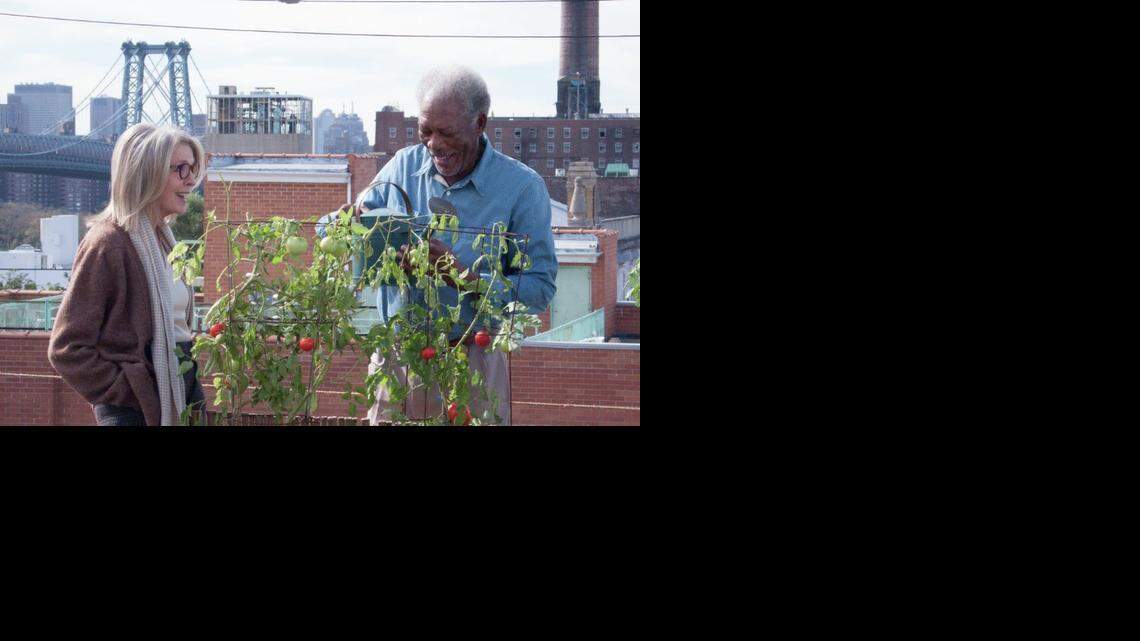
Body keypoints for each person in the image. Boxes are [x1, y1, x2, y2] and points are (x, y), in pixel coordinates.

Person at [346, 66, 557, 425]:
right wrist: (344, 225)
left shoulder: (521, 187)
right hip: (400, 354)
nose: (434, 144)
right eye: (425, 131)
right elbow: (335, 228)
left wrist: (463, 277)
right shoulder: (402, 167)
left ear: (479, 123)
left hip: (474, 354)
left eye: (446, 132)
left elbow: (539, 288)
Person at [48, 123, 207, 426]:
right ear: (146, 173)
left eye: (193, 169)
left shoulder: (164, 240)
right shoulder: (108, 243)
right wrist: (130, 389)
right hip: (136, 410)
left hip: (178, 392)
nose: (191, 181)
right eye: (181, 169)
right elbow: (66, 349)